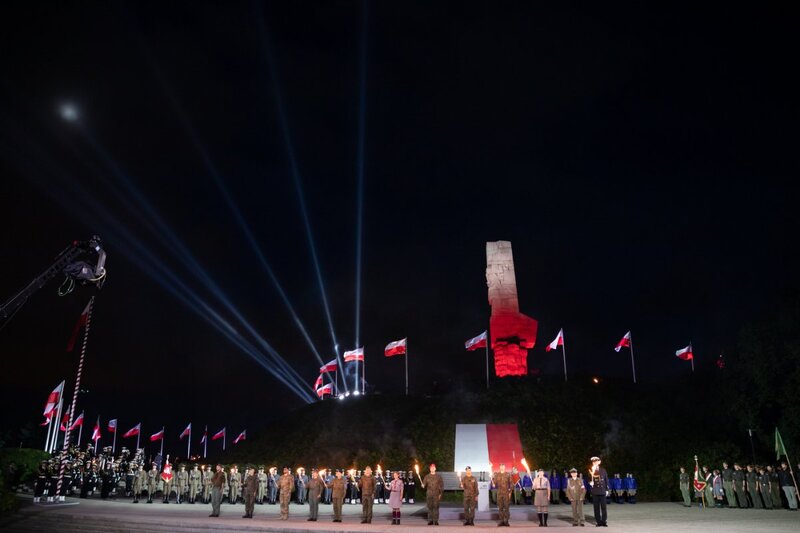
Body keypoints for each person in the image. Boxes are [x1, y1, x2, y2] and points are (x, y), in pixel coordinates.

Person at [491, 462, 513, 527]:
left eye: (503, 466)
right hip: (499, 493)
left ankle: (506, 521)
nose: (502, 467)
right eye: (500, 466)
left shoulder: (508, 474)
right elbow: (494, 484)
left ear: (504, 467)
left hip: (506, 493)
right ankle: (501, 521)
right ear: (499, 467)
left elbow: (511, 483)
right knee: (500, 508)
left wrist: (510, 490)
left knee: (506, 507)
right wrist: (493, 484)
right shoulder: (497, 475)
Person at [589, 456, 609, 527]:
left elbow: (606, 480)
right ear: (593, 463)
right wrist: (590, 483)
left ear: (599, 462)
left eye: (596, 461)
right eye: (594, 462)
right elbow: (589, 480)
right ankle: (598, 522)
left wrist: (607, 490)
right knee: (596, 508)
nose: (595, 463)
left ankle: (604, 521)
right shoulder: (591, 471)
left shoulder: (603, 470)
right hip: (595, 491)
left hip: (602, 491)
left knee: (604, 507)